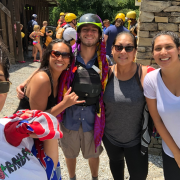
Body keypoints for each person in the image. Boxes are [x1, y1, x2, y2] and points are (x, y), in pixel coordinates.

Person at [16, 13, 109, 180]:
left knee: (93, 152)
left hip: (92, 116)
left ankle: (95, 177)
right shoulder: (69, 56)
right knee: (69, 151)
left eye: (93, 30)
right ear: (78, 33)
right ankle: (72, 177)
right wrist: (25, 82)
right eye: (85, 30)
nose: (89, 33)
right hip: (69, 114)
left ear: (99, 34)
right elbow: (48, 65)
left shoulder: (104, 60)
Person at [0, 47, 62, 180]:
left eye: (0, 84)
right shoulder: (42, 79)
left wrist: (49, 130)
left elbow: (49, 166)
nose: (60, 58)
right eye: (56, 54)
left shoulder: (9, 127)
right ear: (47, 56)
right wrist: (65, 105)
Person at [103, 31, 154, 180]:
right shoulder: (105, 75)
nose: (123, 52)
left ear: (135, 51)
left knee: (139, 176)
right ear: (112, 49)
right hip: (110, 138)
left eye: (129, 48)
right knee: (116, 165)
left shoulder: (146, 74)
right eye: (119, 47)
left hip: (137, 140)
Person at [144, 31, 180, 180]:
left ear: (179, 49)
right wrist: (177, 154)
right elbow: (157, 120)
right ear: (153, 53)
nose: (163, 52)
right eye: (158, 48)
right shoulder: (151, 80)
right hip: (171, 153)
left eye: (169, 46)